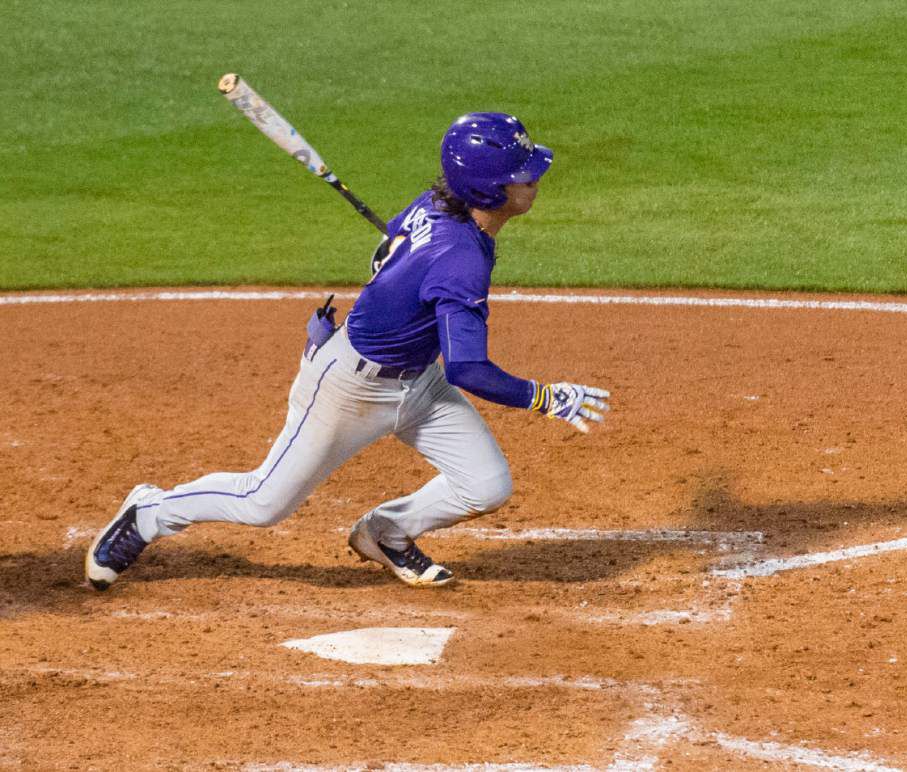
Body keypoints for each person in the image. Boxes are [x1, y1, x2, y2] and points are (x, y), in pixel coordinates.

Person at [86, 112, 610, 590]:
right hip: (350, 389)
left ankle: (386, 533)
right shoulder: (460, 259)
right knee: (262, 502)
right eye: (523, 173)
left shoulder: (438, 207)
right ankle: (148, 512)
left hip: (419, 382)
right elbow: (470, 367)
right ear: (490, 189)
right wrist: (542, 397)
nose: (534, 179)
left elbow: (394, 245)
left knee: (486, 485)